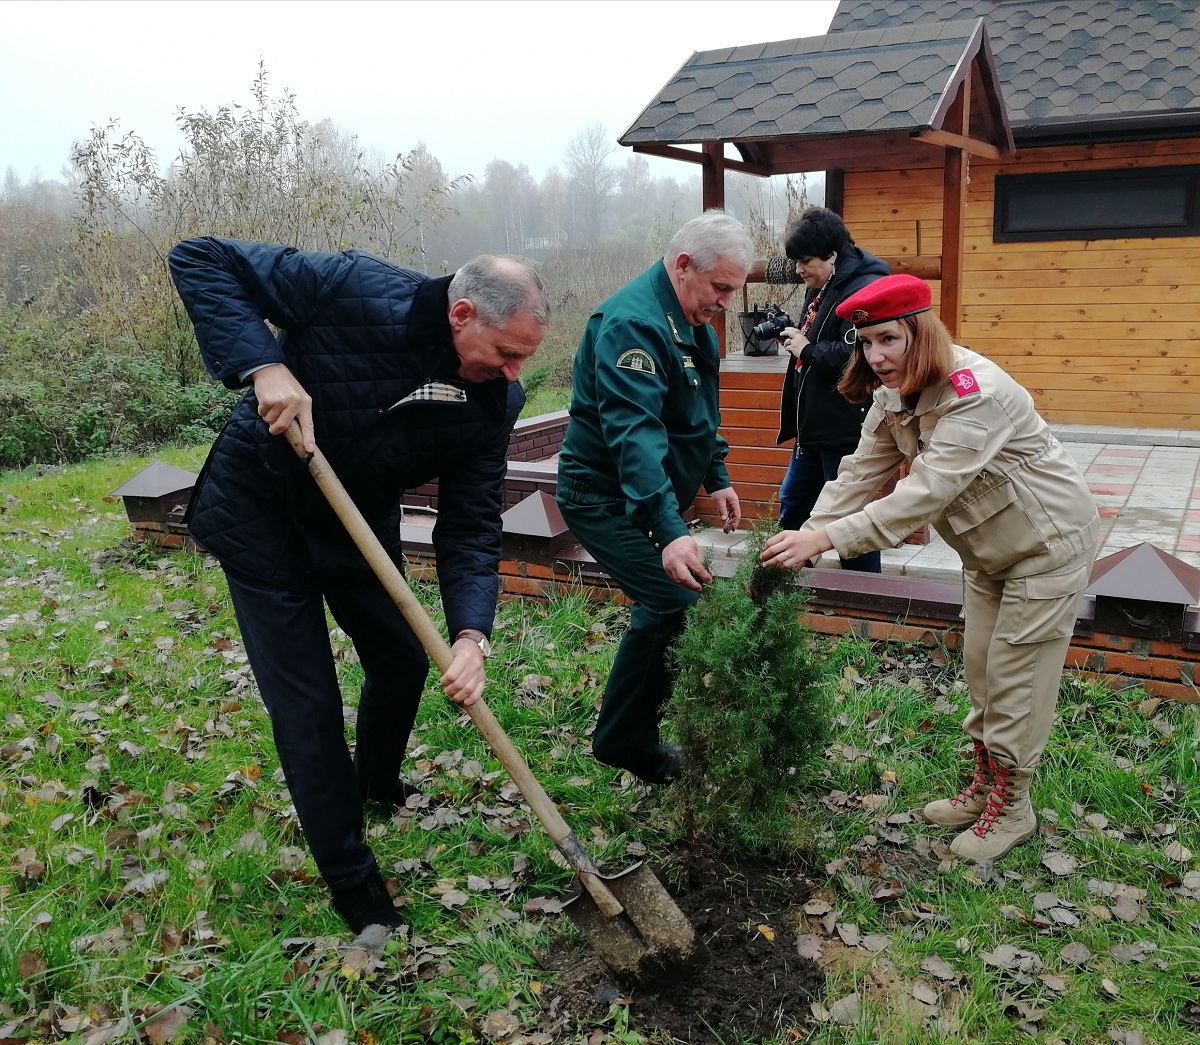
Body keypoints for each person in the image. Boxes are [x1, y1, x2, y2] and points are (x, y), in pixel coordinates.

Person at [168, 237, 548, 932]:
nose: (516, 371)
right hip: (263, 513)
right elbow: (200, 258)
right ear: (462, 313)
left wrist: (471, 633)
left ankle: (375, 784)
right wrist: (264, 364)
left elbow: (470, 524)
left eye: (524, 356)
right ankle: (352, 880)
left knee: (402, 659)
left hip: (353, 522)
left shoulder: (494, 401)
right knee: (308, 701)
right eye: (507, 353)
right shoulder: (353, 287)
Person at [761, 274, 1099, 860]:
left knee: (1017, 677)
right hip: (988, 552)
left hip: (1046, 547)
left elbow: (923, 495)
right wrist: (808, 535)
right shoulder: (894, 392)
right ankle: (985, 788)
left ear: (920, 331)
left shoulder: (975, 392)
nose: (876, 356)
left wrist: (825, 539)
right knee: (982, 672)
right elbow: (860, 473)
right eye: (865, 343)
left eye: (888, 339)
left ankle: (1013, 808)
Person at [556, 211, 753, 785]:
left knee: (670, 605)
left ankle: (635, 730)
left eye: (731, 292)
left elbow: (698, 409)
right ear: (683, 264)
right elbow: (634, 434)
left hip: (645, 493)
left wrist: (717, 473)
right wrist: (670, 531)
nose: (722, 303)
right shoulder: (632, 324)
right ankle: (625, 742)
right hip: (601, 495)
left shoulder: (690, 316)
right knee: (673, 602)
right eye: (719, 289)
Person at [775, 207, 887, 571]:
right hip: (813, 427)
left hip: (843, 426)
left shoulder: (864, 287)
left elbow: (858, 355)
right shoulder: (824, 285)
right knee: (793, 506)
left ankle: (865, 606)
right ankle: (783, 596)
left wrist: (806, 349)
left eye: (805, 261)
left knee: (849, 522)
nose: (798, 270)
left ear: (832, 255)